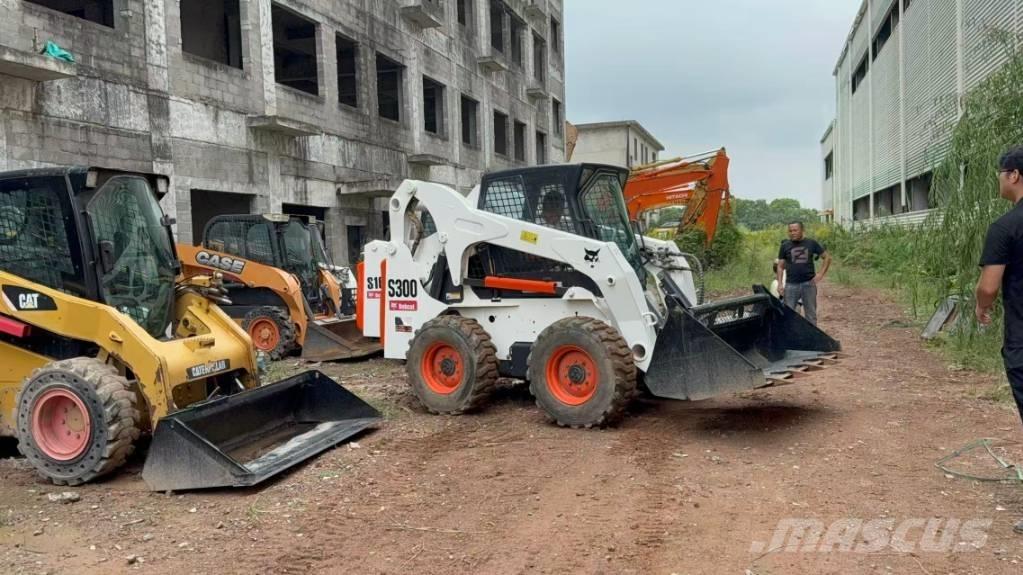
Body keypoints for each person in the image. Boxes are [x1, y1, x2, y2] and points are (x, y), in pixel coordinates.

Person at [975, 146, 1023, 535]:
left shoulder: (1006, 227)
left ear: (1014, 175)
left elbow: (988, 286)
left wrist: (981, 308)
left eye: (1000, 172)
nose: (999, 179)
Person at [776, 221, 831, 325]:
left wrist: (820, 274)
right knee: (788, 314)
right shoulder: (785, 246)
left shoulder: (811, 243)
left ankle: (811, 339)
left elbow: (827, 258)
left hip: (809, 284)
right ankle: (791, 338)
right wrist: (779, 284)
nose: (792, 233)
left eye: (795, 230)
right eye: (790, 231)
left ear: (802, 230)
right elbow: (780, 266)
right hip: (791, 284)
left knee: (811, 315)